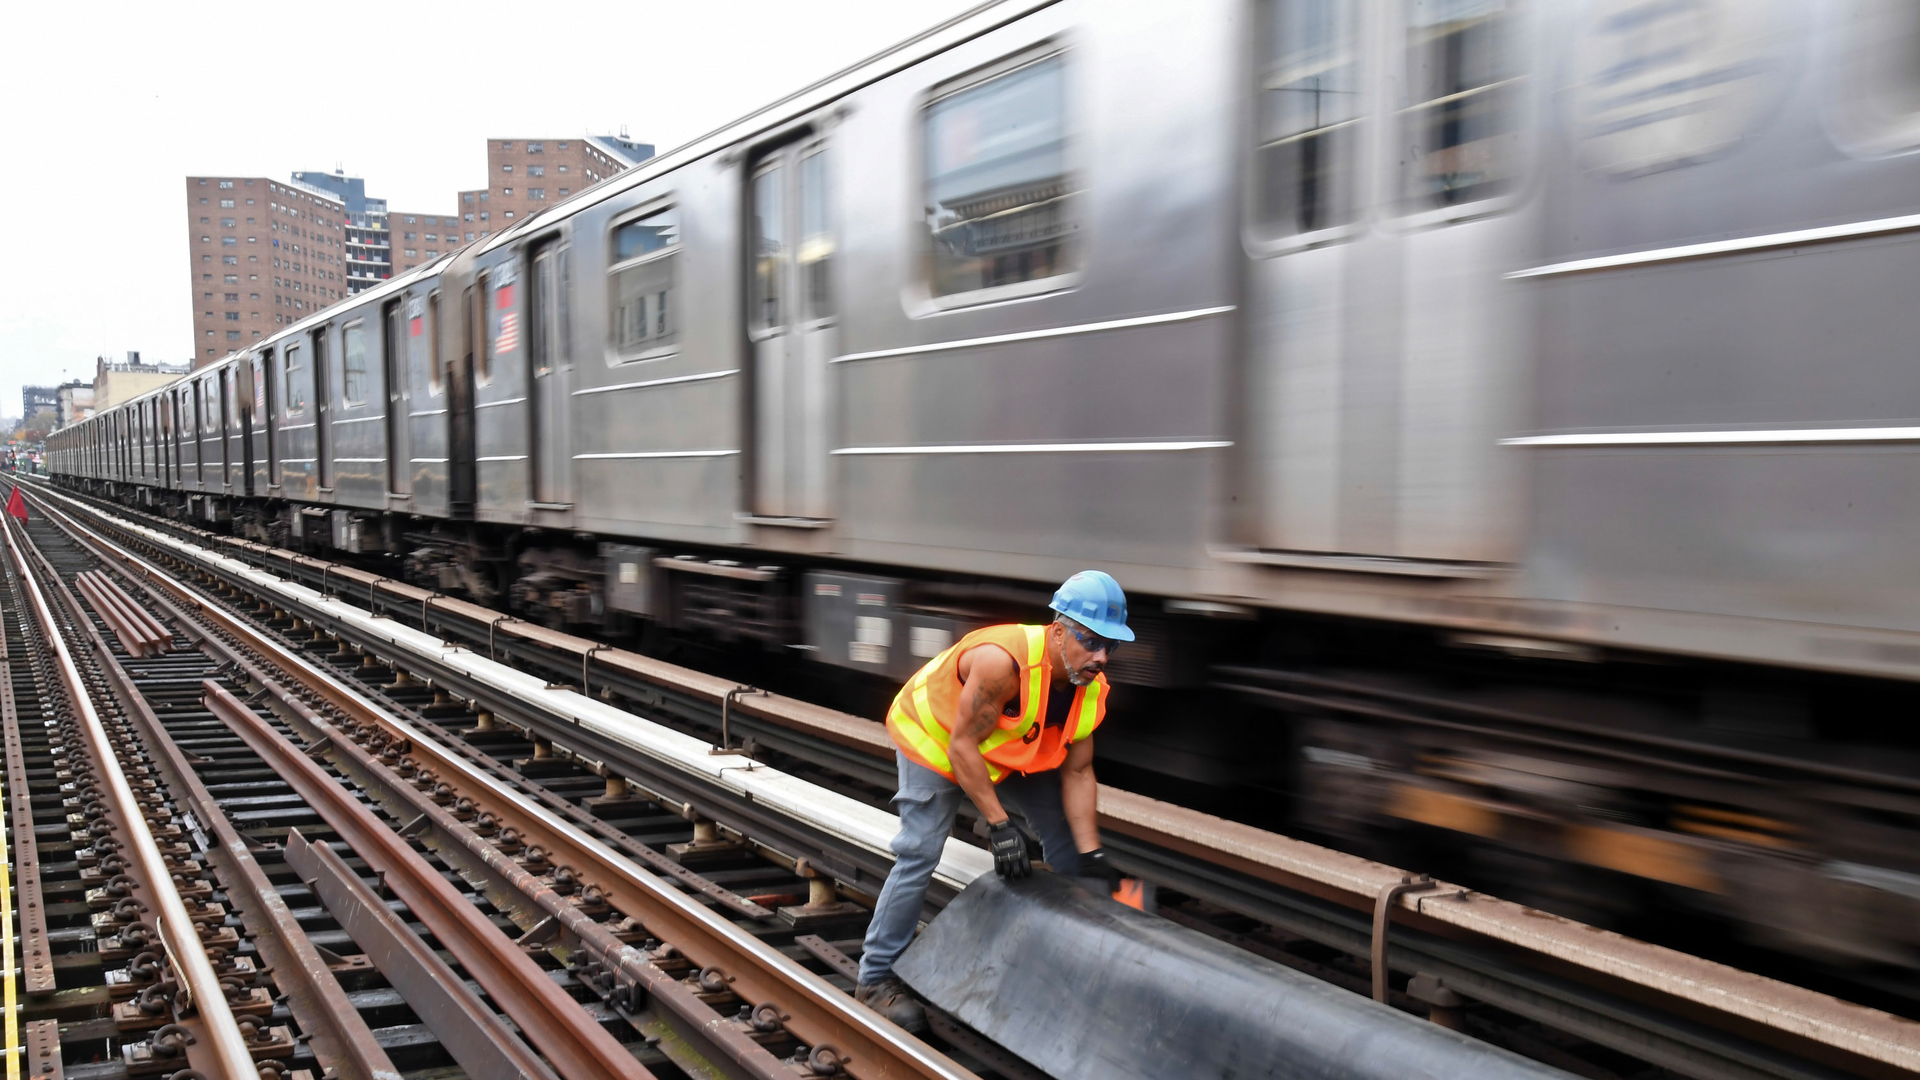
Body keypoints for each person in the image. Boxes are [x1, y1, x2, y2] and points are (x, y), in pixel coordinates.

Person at [854, 570, 1133, 1031]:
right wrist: (1000, 825)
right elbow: (963, 747)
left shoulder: (1091, 689)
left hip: (1007, 748)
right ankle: (875, 978)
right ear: (1059, 631)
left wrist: (1092, 851)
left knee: (1068, 849)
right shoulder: (1002, 663)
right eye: (1091, 641)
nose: (1101, 657)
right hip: (938, 739)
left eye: (1112, 646)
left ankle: (1072, 966)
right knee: (920, 851)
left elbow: (1079, 770)